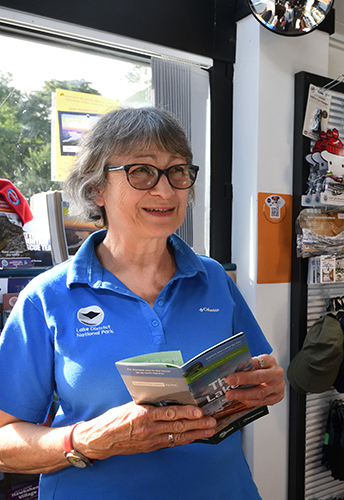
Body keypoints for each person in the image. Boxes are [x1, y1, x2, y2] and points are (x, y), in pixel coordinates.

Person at [0, 107, 285, 499]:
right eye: (141, 172)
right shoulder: (46, 297)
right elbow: (4, 443)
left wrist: (268, 384)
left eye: (177, 171)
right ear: (96, 187)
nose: (165, 191)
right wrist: (88, 440)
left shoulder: (214, 278)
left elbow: (255, 375)